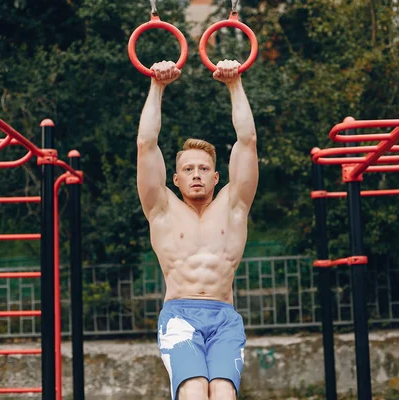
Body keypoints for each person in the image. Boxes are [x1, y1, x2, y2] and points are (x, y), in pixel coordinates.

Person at [136, 59, 258, 400]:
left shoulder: (234, 206)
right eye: (188, 169)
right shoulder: (161, 209)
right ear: (174, 179)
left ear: (217, 177)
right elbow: (146, 144)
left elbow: (247, 141)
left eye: (204, 168)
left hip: (224, 318)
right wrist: (157, 86)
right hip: (179, 317)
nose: (196, 174)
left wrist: (235, 84)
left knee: (222, 394)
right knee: (193, 392)